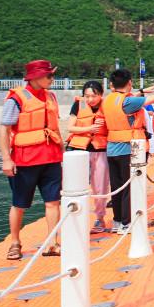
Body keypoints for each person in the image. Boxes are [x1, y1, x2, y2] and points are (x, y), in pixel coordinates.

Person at [0, 59, 63, 260]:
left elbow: (55, 128)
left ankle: (52, 242)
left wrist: (62, 151)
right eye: (49, 75)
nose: (53, 79)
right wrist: (6, 159)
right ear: (35, 77)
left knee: (53, 202)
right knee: (19, 203)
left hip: (51, 158)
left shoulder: (51, 97)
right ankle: (15, 243)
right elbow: (4, 130)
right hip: (25, 160)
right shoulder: (16, 99)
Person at [102, 69, 154, 233]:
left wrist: (141, 91)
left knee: (117, 187)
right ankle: (127, 223)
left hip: (112, 149)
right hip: (128, 149)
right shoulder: (128, 102)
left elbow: (127, 98)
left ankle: (117, 221)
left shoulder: (109, 100)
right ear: (129, 82)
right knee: (129, 187)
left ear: (112, 85)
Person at [66, 80, 109, 232]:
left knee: (100, 186)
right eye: (87, 96)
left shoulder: (107, 105)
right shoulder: (78, 105)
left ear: (101, 94)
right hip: (78, 150)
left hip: (100, 150)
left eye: (94, 96)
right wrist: (90, 128)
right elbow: (69, 127)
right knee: (76, 185)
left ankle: (100, 218)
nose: (90, 99)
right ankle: (76, 217)